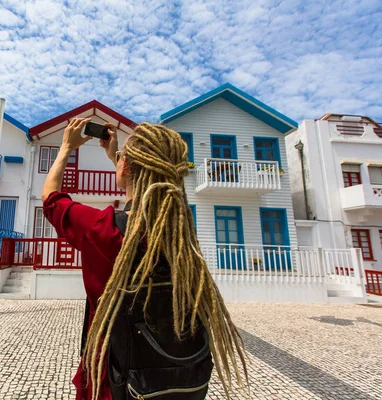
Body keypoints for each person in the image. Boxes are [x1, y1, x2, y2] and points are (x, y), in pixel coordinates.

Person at [42, 118, 247, 400]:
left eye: (122, 160)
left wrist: (66, 147)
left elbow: (52, 199)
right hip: (180, 381)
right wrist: (118, 156)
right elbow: (146, 195)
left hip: (114, 384)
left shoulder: (104, 231)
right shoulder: (179, 234)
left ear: (125, 167)